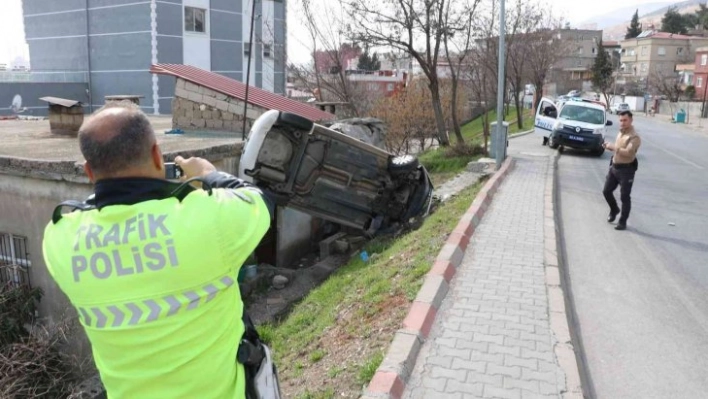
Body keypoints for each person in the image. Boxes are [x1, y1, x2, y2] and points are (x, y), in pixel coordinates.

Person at [42, 101, 275, 398]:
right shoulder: (207, 218)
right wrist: (208, 174)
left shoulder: (59, 239)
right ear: (156, 154)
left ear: (89, 171)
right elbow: (260, 202)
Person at [602, 110, 641, 231]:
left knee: (625, 196)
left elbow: (629, 153)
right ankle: (614, 209)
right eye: (621, 120)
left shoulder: (634, 137)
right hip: (614, 167)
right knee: (606, 191)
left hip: (626, 170)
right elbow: (618, 150)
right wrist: (609, 147)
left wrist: (613, 147)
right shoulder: (620, 133)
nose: (622, 123)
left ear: (631, 120)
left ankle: (622, 221)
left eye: (625, 120)